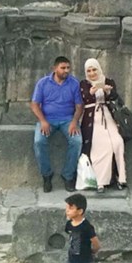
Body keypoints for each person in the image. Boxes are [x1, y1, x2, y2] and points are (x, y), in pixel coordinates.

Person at [32, 56, 84, 193]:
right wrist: (43, 121)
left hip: (68, 120)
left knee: (77, 141)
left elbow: (79, 106)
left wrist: (74, 122)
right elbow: (34, 105)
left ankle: (68, 175)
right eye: (63, 68)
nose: (66, 70)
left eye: (68, 68)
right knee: (39, 141)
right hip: (48, 119)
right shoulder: (43, 83)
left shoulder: (74, 83)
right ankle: (47, 175)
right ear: (54, 68)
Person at [78, 58, 128, 194]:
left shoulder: (108, 80)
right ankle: (100, 181)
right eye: (89, 71)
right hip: (92, 119)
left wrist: (107, 91)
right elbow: (84, 98)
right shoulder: (83, 83)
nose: (92, 73)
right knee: (101, 147)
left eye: (94, 69)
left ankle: (122, 178)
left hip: (108, 116)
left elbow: (115, 97)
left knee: (118, 143)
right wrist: (92, 92)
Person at [64, 193, 101, 263]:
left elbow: (96, 244)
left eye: (70, 208)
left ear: (80, 211)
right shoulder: (69, 224)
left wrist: (92, 252)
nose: (67, 211)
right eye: (66, 208)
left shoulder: (87, 227)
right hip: (71, 262)